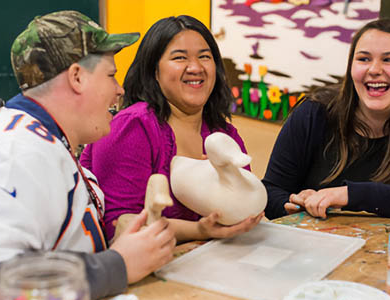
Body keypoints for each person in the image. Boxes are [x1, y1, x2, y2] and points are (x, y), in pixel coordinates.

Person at [0, 11, 176, 300]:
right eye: (111, 75)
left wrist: (117, 243)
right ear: (77, 77)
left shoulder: (48, 141)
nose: (119, 89)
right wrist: (115, 265)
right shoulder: (14, 152)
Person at [263, 18, 390, 228]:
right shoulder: (313, 113)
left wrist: (350, 195)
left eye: (389, 60)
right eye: (363, 59)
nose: (374, 69)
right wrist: (296, 206)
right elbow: (270, 190)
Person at [80, 15, 263, 243]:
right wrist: (200, 230)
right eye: (179, 58)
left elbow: (244, 205)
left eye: (205, 57)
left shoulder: (224, 133)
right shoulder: (133, 127)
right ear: (154, 71)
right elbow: (120, 227)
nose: (195, 68)